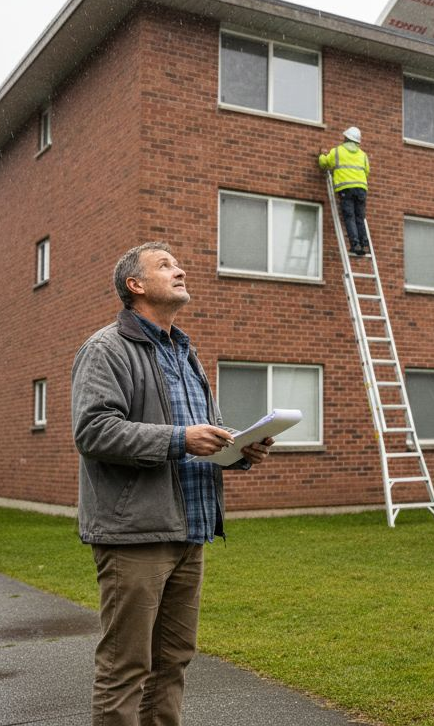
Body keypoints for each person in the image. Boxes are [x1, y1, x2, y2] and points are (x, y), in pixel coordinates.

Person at [72, 241, 273, 726]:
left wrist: (239, 450)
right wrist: (181, 439)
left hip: (191, 530)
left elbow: (207, 433)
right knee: (126, 668)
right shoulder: (106, 349)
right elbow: (94, 431)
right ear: (135, 285)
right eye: (166, 265)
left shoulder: (186, 353)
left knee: (173, 662)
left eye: (179, 264)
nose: (180, 270)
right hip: (136, 533)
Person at [318, 126, 371, 256]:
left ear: (346, 138)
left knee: (349, 216)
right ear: (357, 141)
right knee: (360, 217)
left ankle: (355, 244)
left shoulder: (337, 151)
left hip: (346, 189)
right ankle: (364, 242)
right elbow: (367, 172)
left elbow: (325, 163)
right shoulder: (363, 155)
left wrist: (321, 155)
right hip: (361, 189)